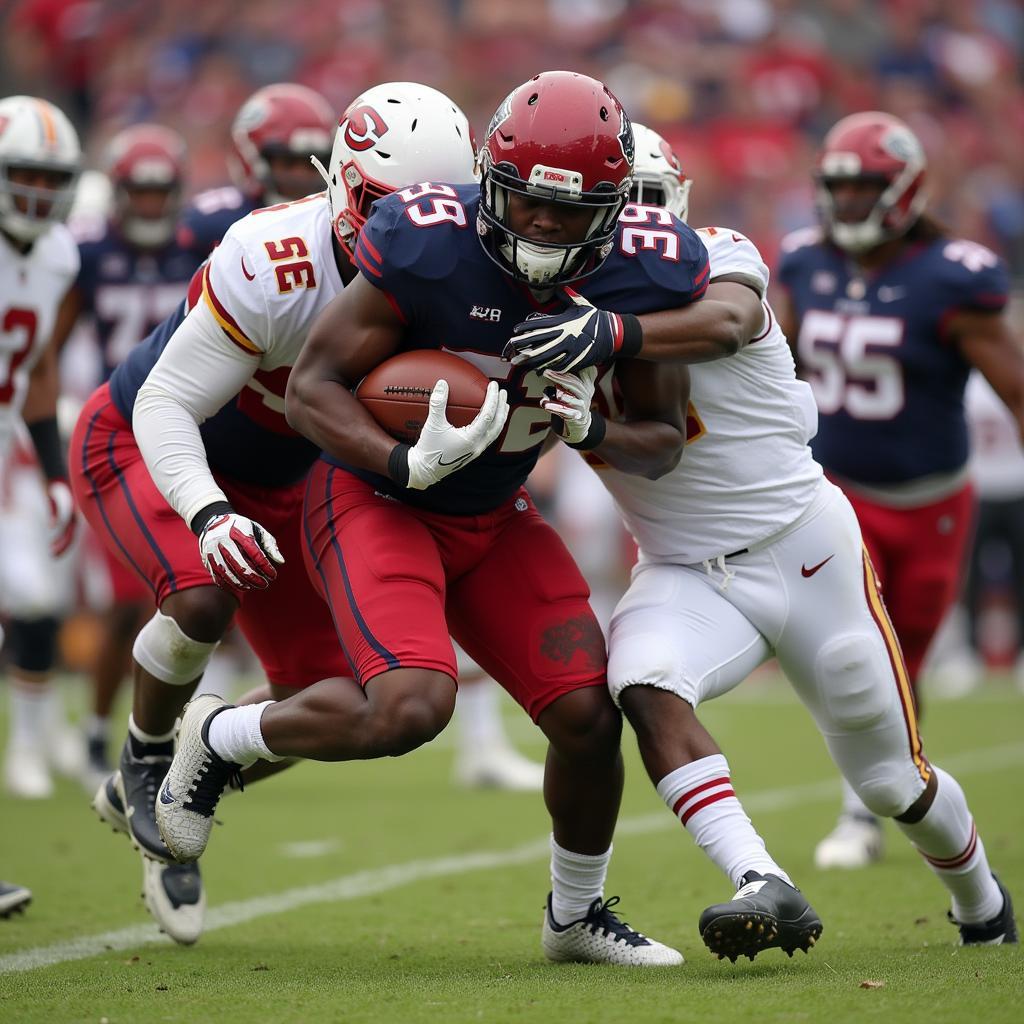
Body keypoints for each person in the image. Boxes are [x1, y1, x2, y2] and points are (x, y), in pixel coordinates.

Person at [155, 70, 706, 967]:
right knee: (411, 707)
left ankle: (574, 917)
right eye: (525, 204)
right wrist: (400, 458)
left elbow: (661, 440)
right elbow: (311, 390)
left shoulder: (641, 274)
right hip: (378, 498)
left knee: (586, 716)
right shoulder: (429, 243)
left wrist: (589, 418)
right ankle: (219, 737)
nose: (540, 227)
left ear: (611, 211)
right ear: (490, 181)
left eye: (567, 214)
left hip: (496, 510)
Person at [507, 121, 1018, 951]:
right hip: (683, 568)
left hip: (803, 548)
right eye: (615, 207)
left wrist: (610, 334)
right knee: (642, 682)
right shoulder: (535, 304)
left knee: (891, 781)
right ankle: (761, 877)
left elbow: (727, 323)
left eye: (645, 202)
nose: (635, 228)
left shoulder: (718, 255)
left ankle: (981, 902)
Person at [71, 81, 478, 946]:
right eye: (377, 206)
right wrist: (212, 515)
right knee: (200, 596)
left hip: (292, 484)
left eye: (420, 209)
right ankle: (146, 761)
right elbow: (165, 405)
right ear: (337, 181)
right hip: (155, 447)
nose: (399, 231)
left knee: (335, 702)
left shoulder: (462, 261)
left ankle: (191, 772)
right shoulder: (273, 255)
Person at [774, 112, 1024, 870]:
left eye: (863, 189)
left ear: (904, 190)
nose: (847, 203)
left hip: (933, 502)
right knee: (860, 655)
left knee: (905, 656)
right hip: (837, 495)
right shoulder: (802, 264)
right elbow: (773, 367)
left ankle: (891, 795)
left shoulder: (954, 275)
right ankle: (860, 811)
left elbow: (1015, 387)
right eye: (838, 188)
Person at [64, 123, 197, 785]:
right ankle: (95, 732)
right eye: (138, 194)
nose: (149, 206)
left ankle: (161, 735)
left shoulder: (199, 245)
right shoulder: (87, 252)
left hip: (184, 429)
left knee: (186, 597)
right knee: (125, 600)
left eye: (159, 193)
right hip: (117, 431)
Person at [0, 94, 82, 800]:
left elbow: (39, 365)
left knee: (32, 596)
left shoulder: (58, 253)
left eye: (54, 178)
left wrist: (54, 470)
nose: (39, 190)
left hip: (6, 446)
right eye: (26, 173)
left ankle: (27, 746)